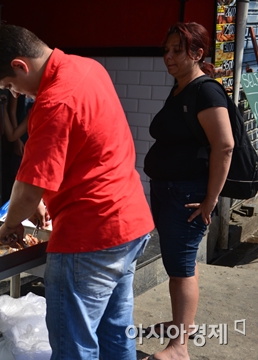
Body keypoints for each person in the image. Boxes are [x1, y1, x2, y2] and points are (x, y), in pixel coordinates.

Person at [0, 24, 155, 360]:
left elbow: (28, 188)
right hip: (129, 223)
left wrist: (10, 224)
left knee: (74, 347)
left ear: (20, 65)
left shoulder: (54, 101)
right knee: (116, 334)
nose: (16, 93)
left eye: (11, 85)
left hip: (89, 239)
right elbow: (79, 151)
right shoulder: (88, 67)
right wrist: (44, 200)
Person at [143, 22, 234, 360]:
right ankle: (183, 323)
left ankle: (179, 347)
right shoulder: (181, 87)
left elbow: (224, 146)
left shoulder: (204, 91)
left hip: (188, 194)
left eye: (177, 50)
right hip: (169, 190)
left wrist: (211, 200)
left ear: (197, 53)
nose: (168, 57)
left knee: (180, 268)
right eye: (166, 50)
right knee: (179, 265)